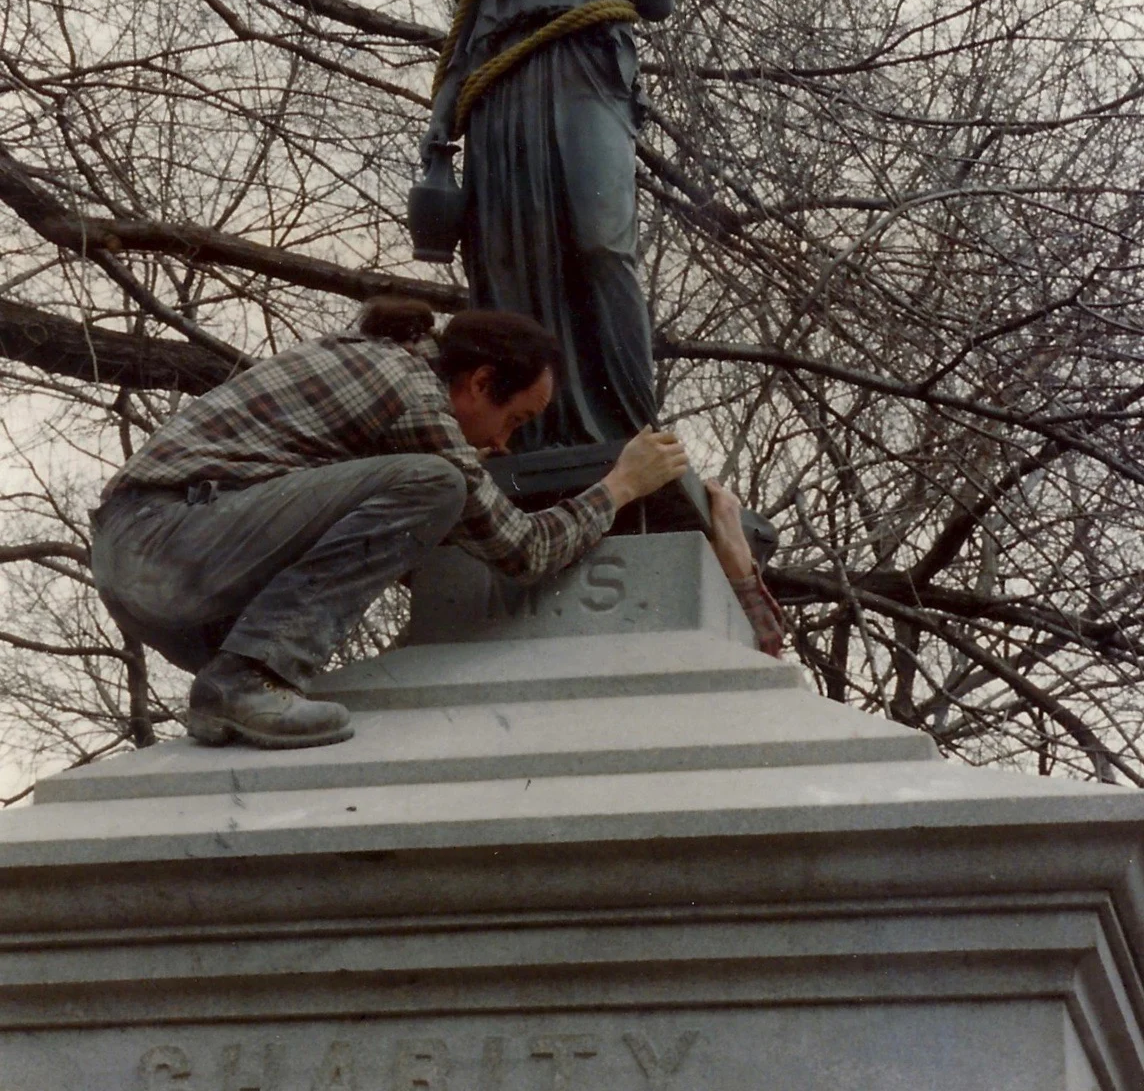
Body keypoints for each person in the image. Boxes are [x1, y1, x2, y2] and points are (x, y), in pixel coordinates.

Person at [90, 298, 782, 752]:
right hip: (167, 539)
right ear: (478, 383)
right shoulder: (410, 388)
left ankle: (230, 696)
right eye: (514, 422)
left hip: (161, 560)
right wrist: (621, 484)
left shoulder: (385, 372)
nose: (506, 447)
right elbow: (520, 551)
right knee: (436, 485)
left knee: (433, 491)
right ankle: (245, 679)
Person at [422, 0, 674, 448]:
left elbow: (657, 0)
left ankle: (629, 427)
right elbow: (462, 45)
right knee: (509, 262)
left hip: (590, 82)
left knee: (600, 246)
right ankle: (524, 429)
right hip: (505, 100)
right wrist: (436, 131)